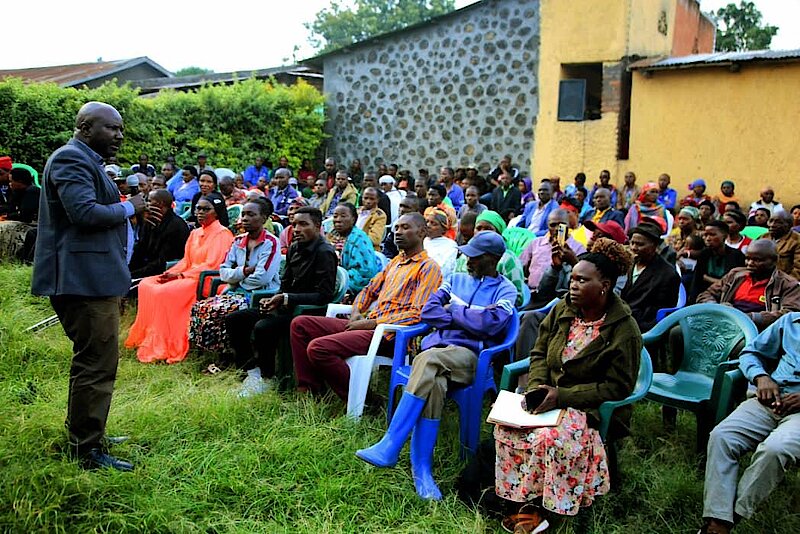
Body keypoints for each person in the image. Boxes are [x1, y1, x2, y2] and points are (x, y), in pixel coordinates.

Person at [356, 232, 516, 500]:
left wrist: (453, 311)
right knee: (435, 383)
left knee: (427, 360)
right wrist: (470, 318)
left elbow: (490, 325)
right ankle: (422, 471)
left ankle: (391, 444)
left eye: (474, 257)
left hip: (469, 356)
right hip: (437, 352)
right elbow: (429, 311)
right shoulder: (455, 279)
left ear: (491, 259)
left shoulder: (506, 290)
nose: (467, 260)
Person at [32, 101, 146, 471]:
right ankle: (86, 449)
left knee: (94, 360)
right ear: (85, 127)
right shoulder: (71, 159)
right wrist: (130, 207)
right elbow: (84, 213)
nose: (119, 135)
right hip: (82, 281)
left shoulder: (86, 161)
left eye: (121, 128)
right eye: (112, 128)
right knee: (97, 363)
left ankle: (87, 431)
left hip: (92, 278)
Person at [495, 238, 641, 523]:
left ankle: (549, 508)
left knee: (549, 437)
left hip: (587, 405)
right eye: (572, 278)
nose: (573, 285)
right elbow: (539, 352)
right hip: (548, 394)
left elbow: (619, 386)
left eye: (582, 280)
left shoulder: (624, 330)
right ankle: (520, 497)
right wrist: (537, 387)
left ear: (605, 286)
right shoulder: (563, 309)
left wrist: (562, 396)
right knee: (507, 428)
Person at [290, 212, 443, 400]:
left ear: (422, 232)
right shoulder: (396, 262)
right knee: (300, 324)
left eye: (405, 228)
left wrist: (372, 323)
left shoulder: (428, 268)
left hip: (392, 336)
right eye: (396, 228)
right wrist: (356, 311)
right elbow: (369, 290)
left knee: (319, 348)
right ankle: (309, 390)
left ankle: (366, 401)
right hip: (369, 326)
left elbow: (417, 314)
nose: (397, 232)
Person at [699, 312, 800, 534]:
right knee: (722, 436)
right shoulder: (791, 322)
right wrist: (761, 377)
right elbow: (751, 352)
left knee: (775, 449)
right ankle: (718, 516)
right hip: (770, 399)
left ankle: (725, 521)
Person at [225, 207, 337, 396]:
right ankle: (251, 371)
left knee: (263, 327)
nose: (297, 229)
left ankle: (268, 377)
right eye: (294, 224)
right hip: (287, 307)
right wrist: (273, 299)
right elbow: (285, 284)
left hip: (307, 313)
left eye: (303, 224)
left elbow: (324, 295)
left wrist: (286, 298)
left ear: (317, 226)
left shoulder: (324, 252)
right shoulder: (294, 248)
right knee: (235, 319)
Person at [125, 196, 234, 364]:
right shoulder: (195, 233)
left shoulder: (222, 233)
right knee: (147, 284)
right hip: (187, 275)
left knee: (164, 292)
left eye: (206, 209)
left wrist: (181, 275)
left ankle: (168, 344)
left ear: (217, 213)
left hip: (203, 280)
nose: (200, 212)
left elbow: (212, 264)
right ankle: (147, 339)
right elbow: (186, 261)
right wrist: (171, 273)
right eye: (198, 209)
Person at [189, 198, 281, 354]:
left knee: (220, 311)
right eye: (243, 214)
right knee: (201, 308)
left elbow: (261, 278)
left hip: (260, 295)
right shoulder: (238, 241)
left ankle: (235, 355)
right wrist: (244, 271)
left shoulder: (270, 242)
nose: (245, 218)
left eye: (251, 214)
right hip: (235, 291)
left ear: (264, 218)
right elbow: (223, 272)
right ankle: (214, 353)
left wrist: (237, 279)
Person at [697, 239, 800, 330]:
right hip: (725, 324)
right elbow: (705, 294)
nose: (750, 263)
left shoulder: (788, 284)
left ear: (774, 260)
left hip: (760, 332)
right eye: (747, 258)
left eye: (757, 260)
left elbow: (790, 314)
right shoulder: (735, 275)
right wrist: (719, 308)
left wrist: (749, 317)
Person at [454, 210, 527, 307]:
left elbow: (517, 298)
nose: (483, 232)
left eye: (488, 229)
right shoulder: (464, 255)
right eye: (479, 228)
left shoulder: (508, 260)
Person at [621, 222, 681, 332]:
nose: (634, 247)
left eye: (640, 244)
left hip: (643, 325)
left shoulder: (668, 274)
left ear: (654, 246)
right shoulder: (629, 264)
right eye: (632, 243)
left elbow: (659, 311)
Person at [520, 209, 587, 294]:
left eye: (561, 225)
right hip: (531, 292)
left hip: (559, 295)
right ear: (547, 226)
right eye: (553, 225)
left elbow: (583, 275)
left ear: (568, 225)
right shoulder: (536, 243)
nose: (557, 229)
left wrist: (572, 260)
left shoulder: (578, 247)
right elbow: (521, 268)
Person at [129, 189, 190, 279]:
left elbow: (163, 261)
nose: (146, 205)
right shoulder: (149, 221)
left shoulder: (176, 226)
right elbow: (140, 249)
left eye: (149, 201)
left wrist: (133, 274)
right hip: (147, 267)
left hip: (166, 270)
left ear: (160, 204)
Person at [327, 202, 380, 294]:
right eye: (335, 216)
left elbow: (364, 272)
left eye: (343, 216)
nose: (338, 220)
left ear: (353, 219)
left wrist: (338, 279)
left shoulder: (359, 239)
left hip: (350, 285)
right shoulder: (331, 236)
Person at [689, 220, 746, 303]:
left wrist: (708, 278)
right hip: (704, 297)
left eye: (712, 235)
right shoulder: (704, 254)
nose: (708, 239)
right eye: (706, 235)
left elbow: (734, 283)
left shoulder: (737, 256)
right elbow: (697, 281)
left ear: (725, 236)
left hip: (727, 297)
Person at [762, 210, 800, 280]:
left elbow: (798, 270)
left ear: (789, 225)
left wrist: (782, 283)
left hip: (785, 281)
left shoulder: (797, 241)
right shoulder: (763, 237)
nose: (772, 225)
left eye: (778, 222)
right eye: (770, 221)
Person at [423, 207, 459, 279]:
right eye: (427, 222)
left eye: (433, 223)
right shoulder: (422, 240)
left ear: (444, 229)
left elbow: (445, 269)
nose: (428, 225)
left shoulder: (450, 246)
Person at [382, 195, 418, 259]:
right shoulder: (396, 224)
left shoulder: (420, 228)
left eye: (407, 207)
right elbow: (388, 248)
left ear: (417, 210)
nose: (402, 210)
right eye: (401, 206)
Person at [356, 187, 388, 251]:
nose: (368, 201)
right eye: (365, 198)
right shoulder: (356, 211)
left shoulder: (380, 215)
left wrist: (354, 240)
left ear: (378, 200)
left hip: (368, 249)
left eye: (372, 199)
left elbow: (375, 239)